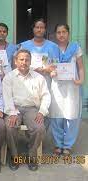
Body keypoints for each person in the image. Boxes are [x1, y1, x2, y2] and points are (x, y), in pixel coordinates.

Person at [2, 49, 51, 171]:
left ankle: (31, 155)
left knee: (39, 128)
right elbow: (6, 97)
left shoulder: (38, 77)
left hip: (32, 109)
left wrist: (41, 111)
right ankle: (14, 156)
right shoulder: (9, 77)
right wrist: (12, 113)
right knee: (10, 126)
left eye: (27, 60)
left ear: (30, 61)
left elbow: (46, 95)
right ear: (15, 61)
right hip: (14, 108)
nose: (24, 62)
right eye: (21, 59)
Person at [49, 24, 85, 156]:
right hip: (57, 87)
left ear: (68, 33)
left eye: (64, 32)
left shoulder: (75, 48)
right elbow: (48, 66)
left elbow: (80, 67)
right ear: (55, 34)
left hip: (72, 86)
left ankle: (68, 145)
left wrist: (80, 80)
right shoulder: (52, 49)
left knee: (71, 115)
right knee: (56, 115)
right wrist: (51, 72)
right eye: (58, 32)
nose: (61, 35)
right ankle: (58, 144)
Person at [19, 19, 59, 86]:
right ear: (33, 29)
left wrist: (46, 69)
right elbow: (19, 65)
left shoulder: (53, 46)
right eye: (37, 27)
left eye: (42, 28)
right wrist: (34, 69)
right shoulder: (24, 46)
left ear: (45, 30)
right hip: (28, 82)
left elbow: (56, 64)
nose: (39, 30)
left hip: (46, 82)